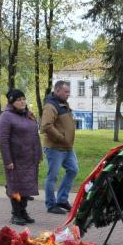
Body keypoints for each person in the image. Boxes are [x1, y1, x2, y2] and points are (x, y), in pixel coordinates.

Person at [0, 89, 43, 225]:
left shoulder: (28, 114)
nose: (22, 102)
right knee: (16, 187)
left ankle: (23, 211)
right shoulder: (6, 117)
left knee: (26, 187)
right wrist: (8, 160)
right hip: (15, 160)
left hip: (29, 159)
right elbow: (3, 141)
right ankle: (16, 213)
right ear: (12, 102)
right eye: (18, 100)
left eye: (23, 99)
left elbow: (35, 136)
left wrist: (38, 154)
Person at [41, 80, 77, 215]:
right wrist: (61, 138)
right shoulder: (50, 105)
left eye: (69, 92)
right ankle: (51, 205)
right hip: (55, 148)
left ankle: (62, 200)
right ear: (57, 91)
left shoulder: (63, 103)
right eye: (66, 91)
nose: (68, 94)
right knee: (53, 176)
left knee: (73, 170)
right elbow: (46, 126)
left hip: (67, 147)